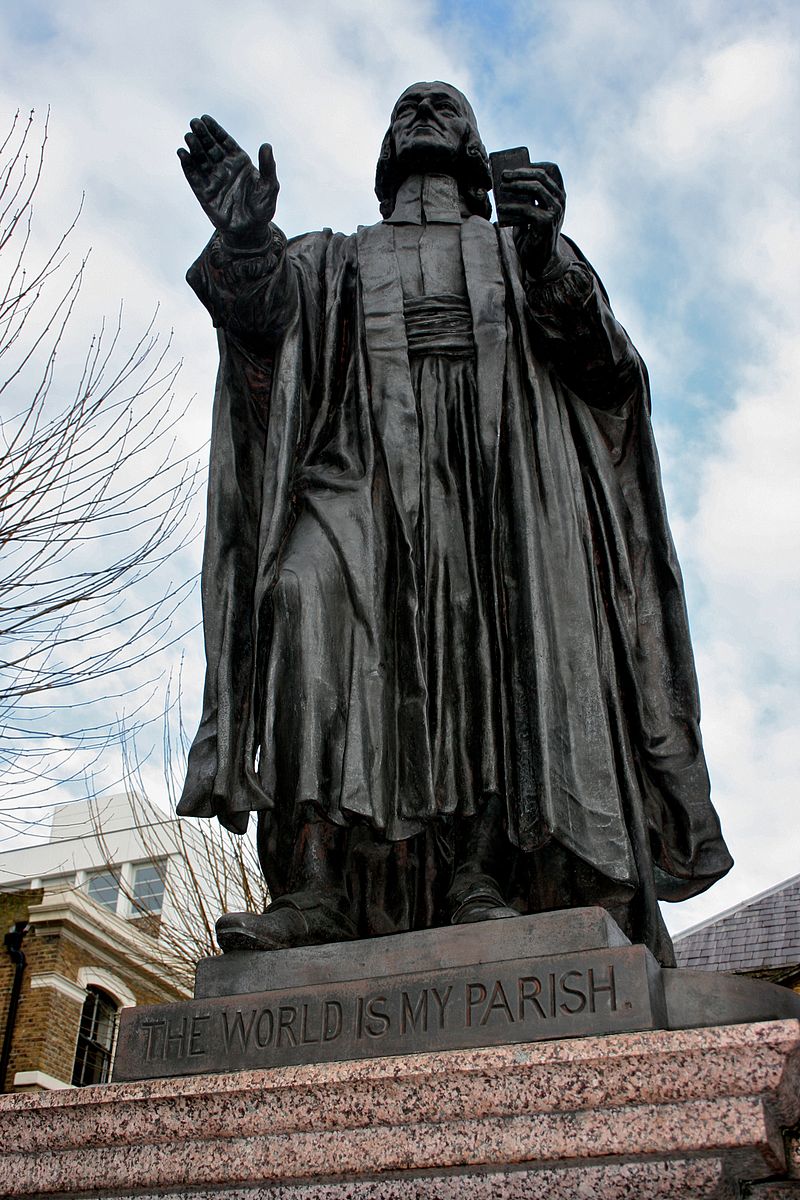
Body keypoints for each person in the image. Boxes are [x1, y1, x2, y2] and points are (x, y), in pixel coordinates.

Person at [176, 82, 732, 963]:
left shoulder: (522, 249)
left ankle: (482, 874)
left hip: (492, 476)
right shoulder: (332, 257)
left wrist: (550, 257)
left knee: (488, 637)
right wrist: (245, 240)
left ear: (478, 154)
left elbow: (607, 368)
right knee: (300, 595)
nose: (424, 112)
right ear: (384, 156)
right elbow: (262, 325)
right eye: (406, 107)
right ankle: (314, 882)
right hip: (357, 481)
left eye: (445, 106)